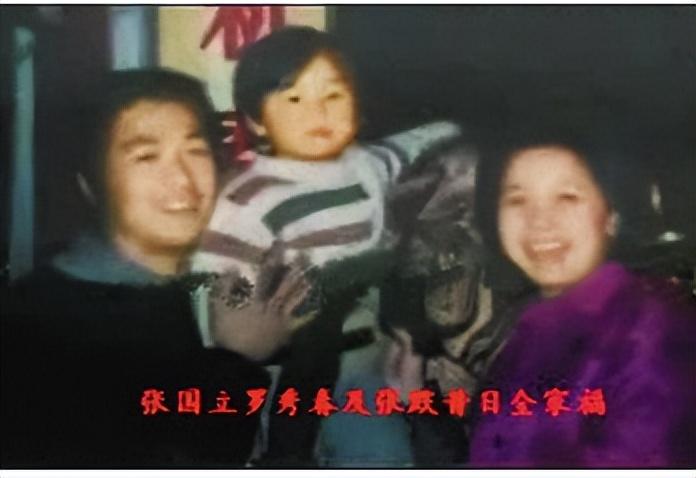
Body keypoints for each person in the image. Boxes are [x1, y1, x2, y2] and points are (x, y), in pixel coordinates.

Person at [0, 69, 309, 467]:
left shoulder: (187, 287)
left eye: (195, 151)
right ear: (90, 184)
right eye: (146, 156)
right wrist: (238, 359)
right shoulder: (39, 327)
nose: (182, 179)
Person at [189, 26, 462, 466]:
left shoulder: (367, 165)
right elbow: (217, 281)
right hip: (285, 374)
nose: (317, 111)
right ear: (256, 120)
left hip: (367, 362)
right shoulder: (249, 197)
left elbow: (417, 143)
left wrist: (461, 130)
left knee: (382, 455)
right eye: (294, 99)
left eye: (334, 95)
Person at [467, 125, 696, 467]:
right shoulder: (530, 331)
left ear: (612, 214)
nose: (539, 222)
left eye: (567, 197)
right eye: (517, 200)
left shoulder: (655, 333)